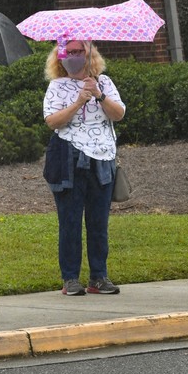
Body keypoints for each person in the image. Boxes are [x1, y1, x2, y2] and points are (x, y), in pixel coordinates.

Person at [42, 40, 126, 296]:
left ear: (90, 54)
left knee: (98, 222)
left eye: (79, 51)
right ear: (59, 57)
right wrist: (79, 101)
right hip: (68, 158)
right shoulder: (57, 86)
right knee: (70, 221)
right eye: (68, 52)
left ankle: (99, 277)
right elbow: (52, 121)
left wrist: (99, 94)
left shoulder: (105, 82)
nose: (73, 56)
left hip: (102, 159)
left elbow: (119, 114)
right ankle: (70, 279)